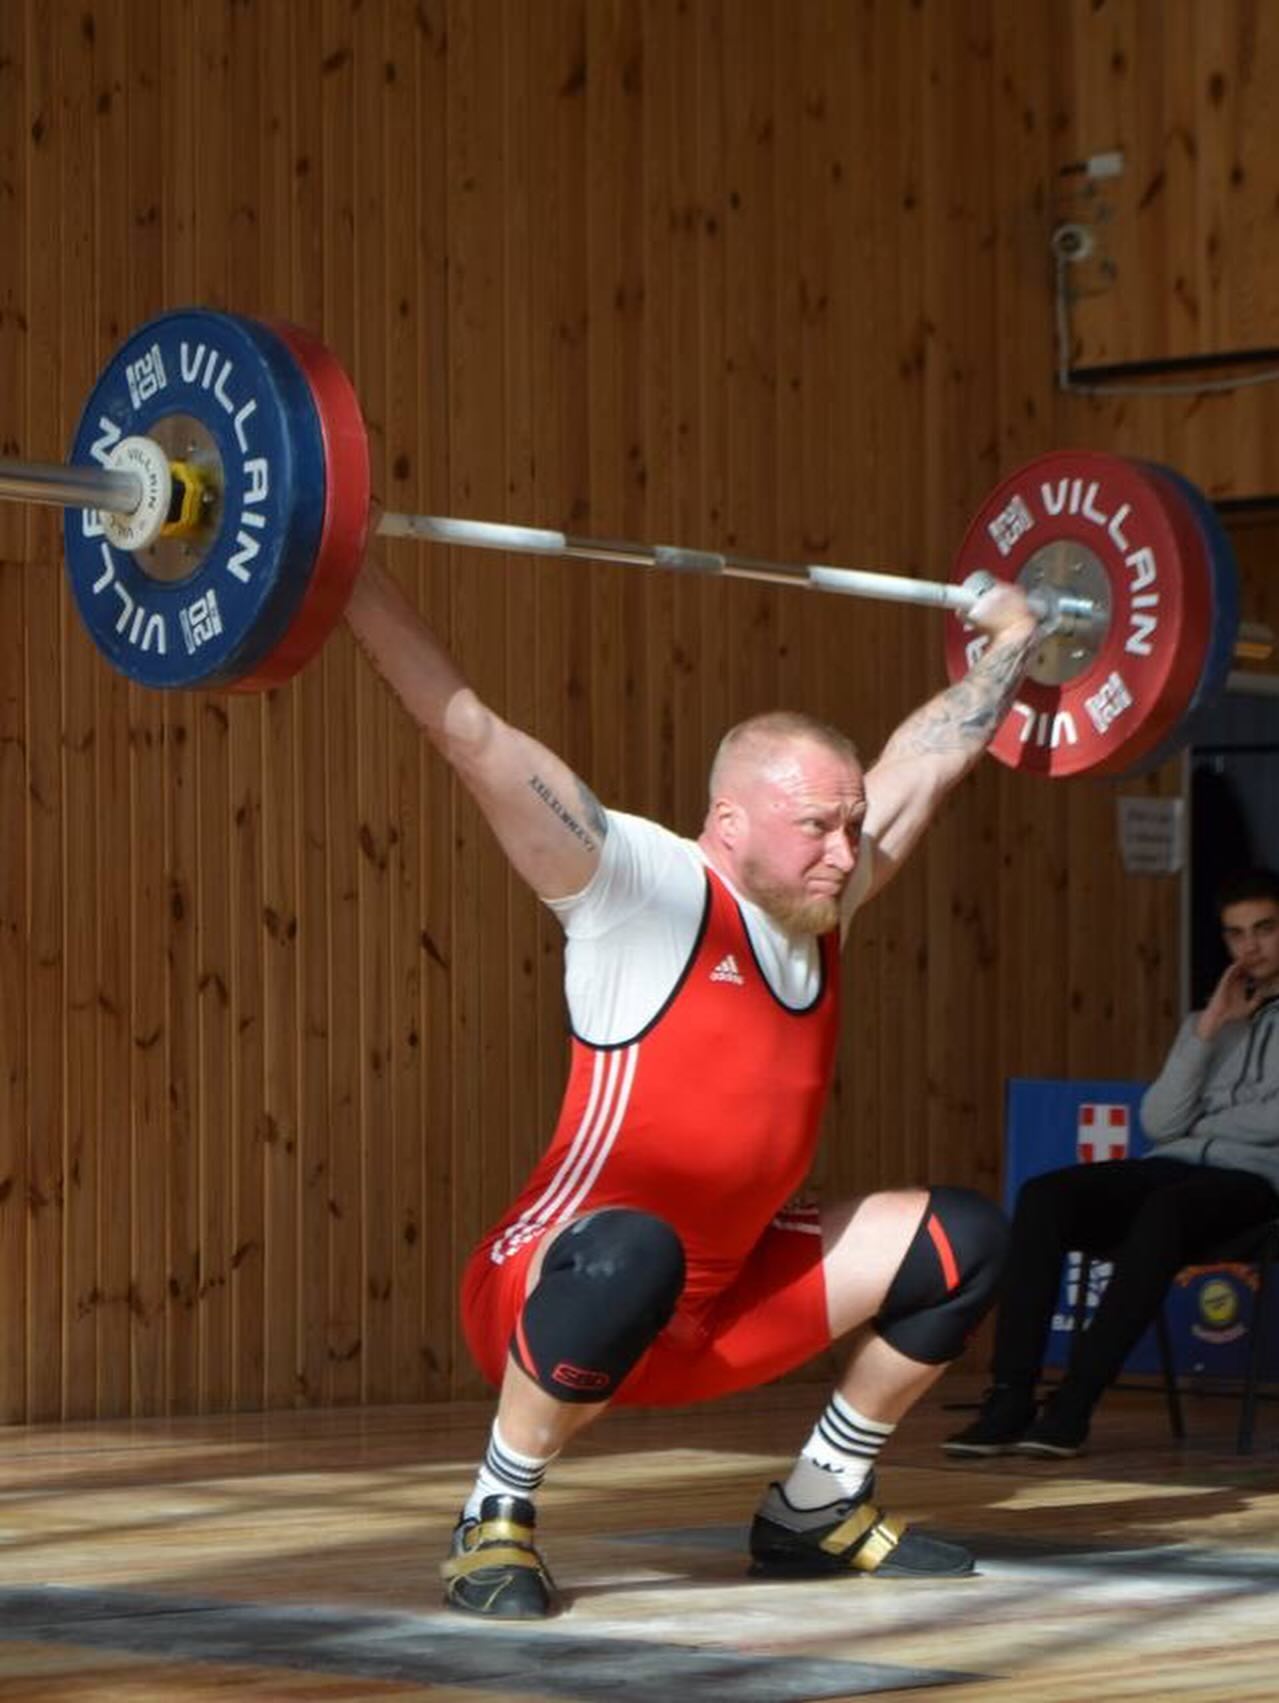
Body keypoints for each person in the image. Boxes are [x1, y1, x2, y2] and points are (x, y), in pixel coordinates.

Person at [345, 557, 1040, 1618]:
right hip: (554, 1289)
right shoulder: (636, 884)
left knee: (965, 1239)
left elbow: (928, 761)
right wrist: (345, 567)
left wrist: (1016, 644)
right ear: (729, 822)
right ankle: (495, 1509)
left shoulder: (825, 902)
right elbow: (468, 731)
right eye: (818, 825)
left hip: (713, 1312)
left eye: (851, 824)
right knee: (638, 1245)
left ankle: (818, 1501)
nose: (847, 850)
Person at [946, 867, 1279, 1462]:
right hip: (1176, 1164)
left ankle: (1073, 1405)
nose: (1249, 948)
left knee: (1166, 1209)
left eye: (1264, 929)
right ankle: (1010, 1396)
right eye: (1235, 935)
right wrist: (1204, 1032)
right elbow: (1159, 1123)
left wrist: (1211, 1122)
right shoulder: (1209, 1024)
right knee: (1047, 1195)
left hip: (1255, 1183)